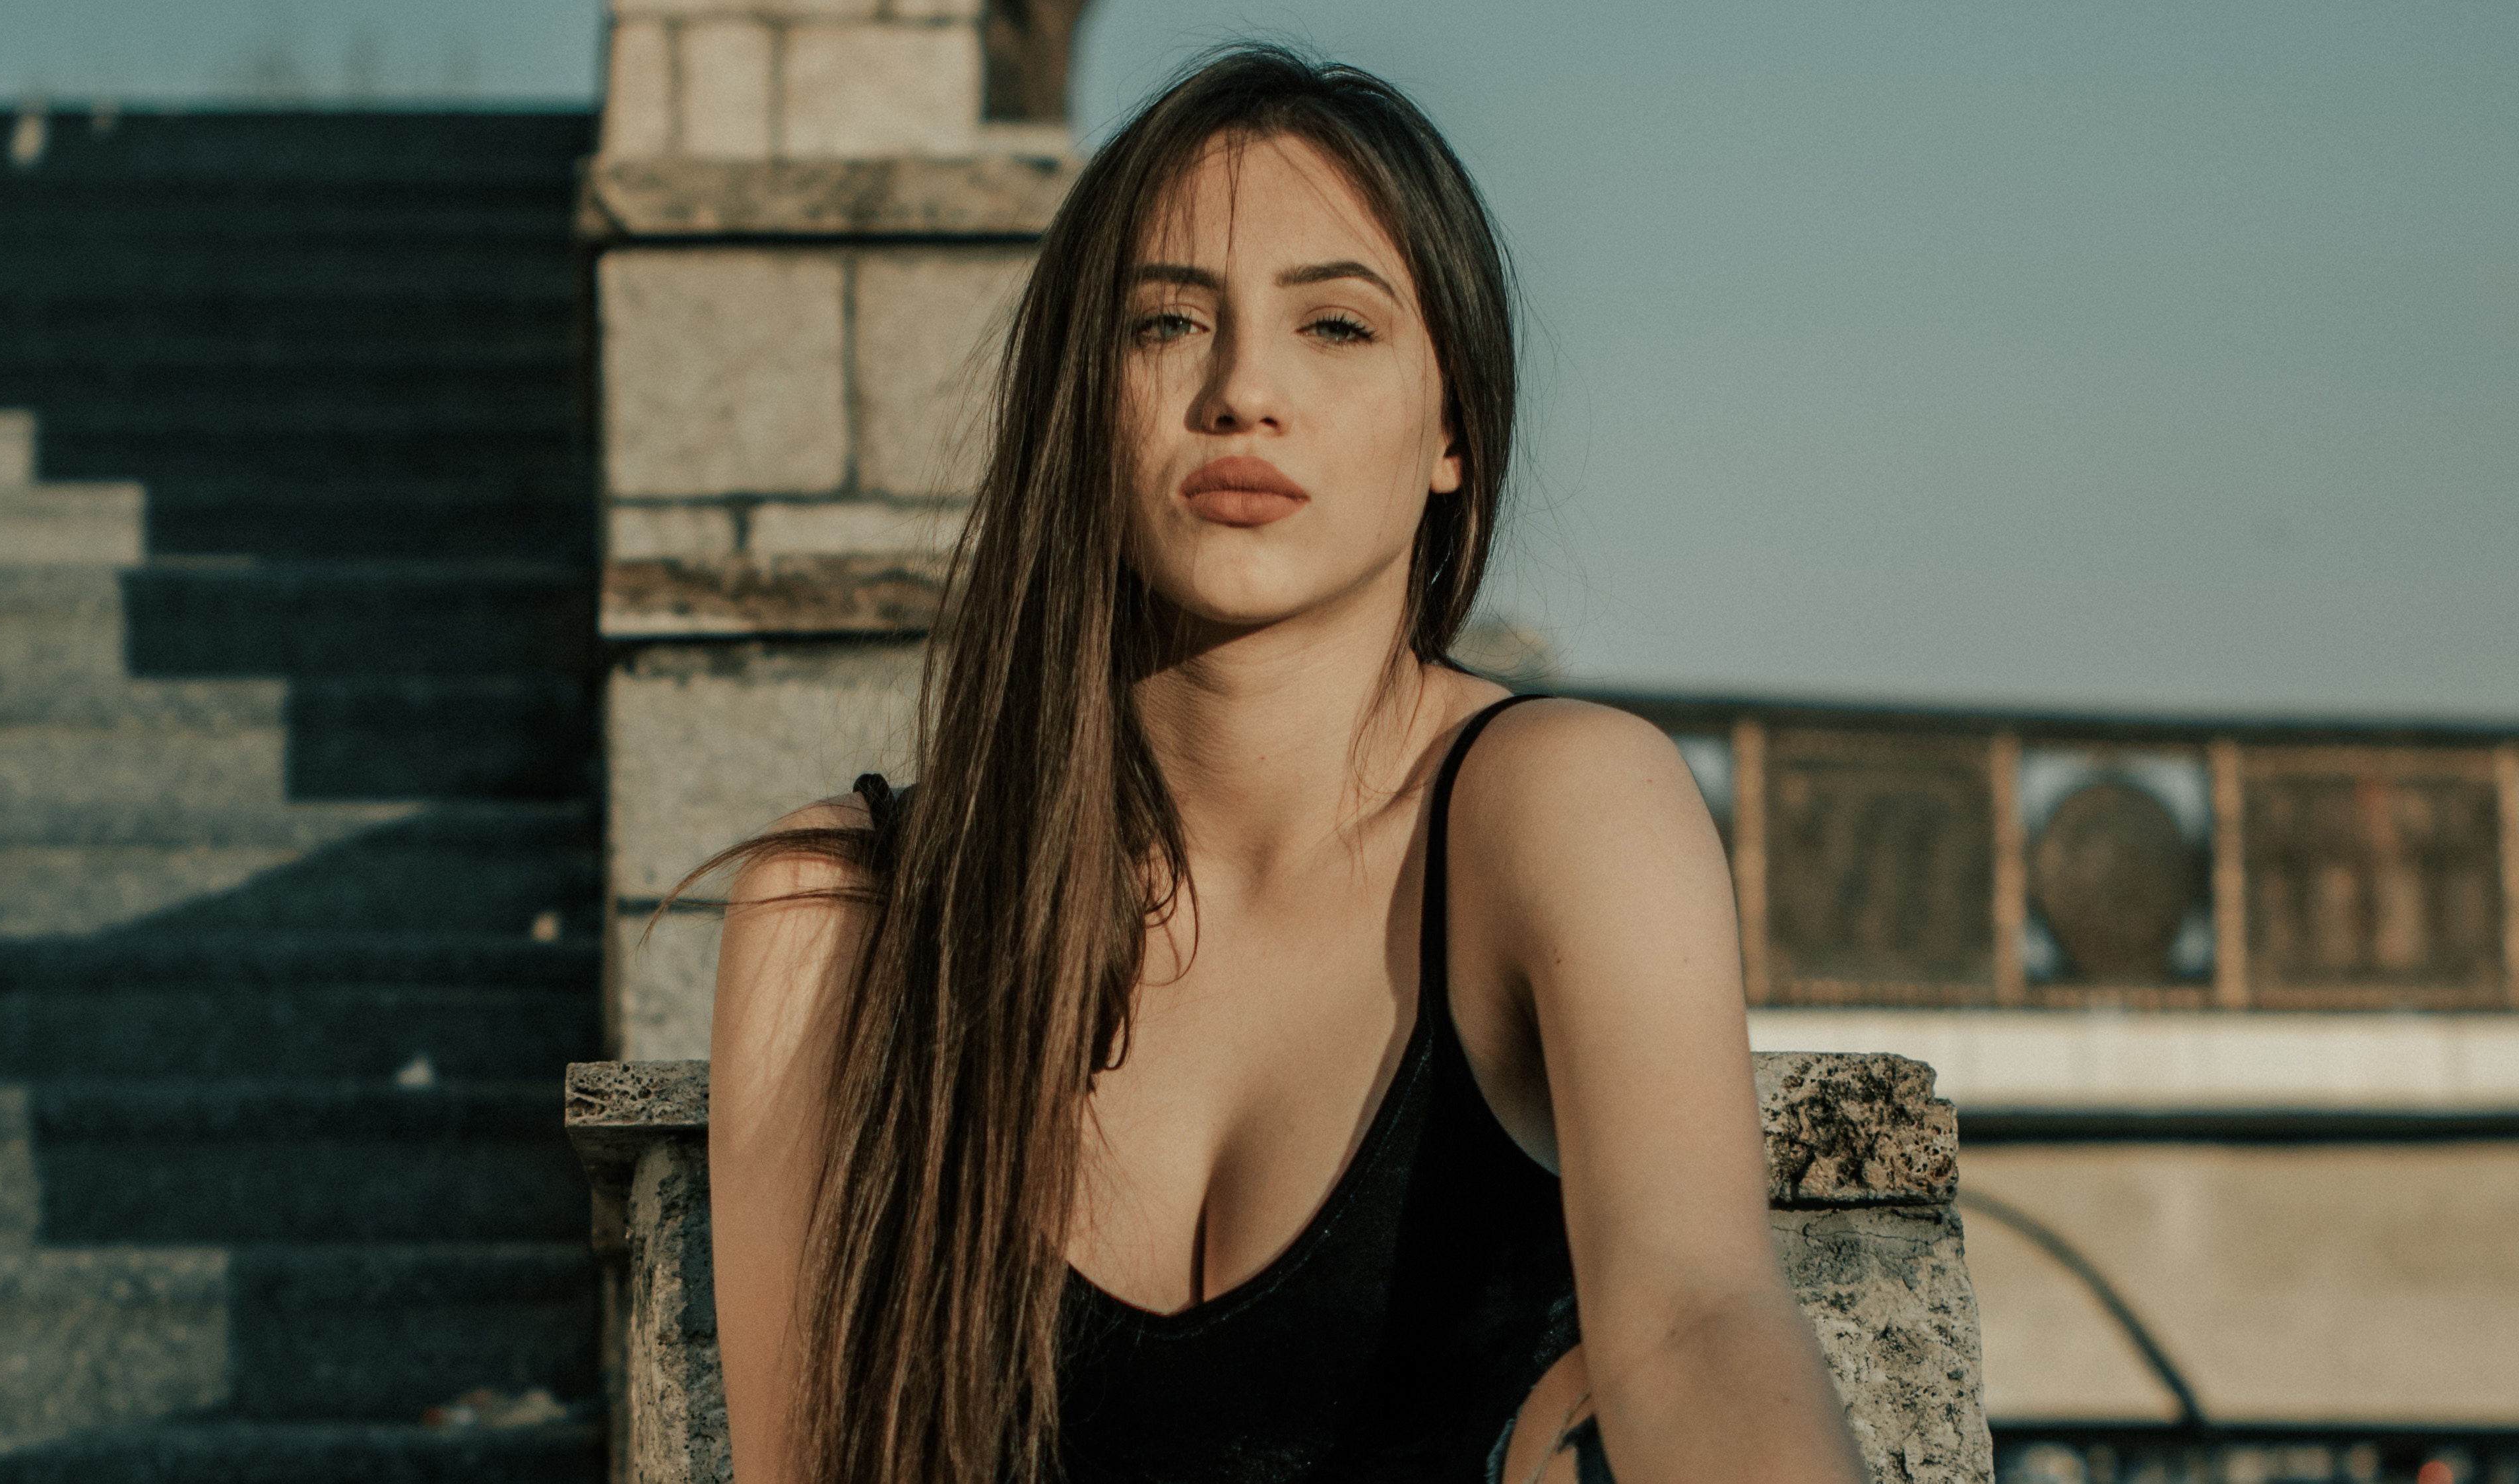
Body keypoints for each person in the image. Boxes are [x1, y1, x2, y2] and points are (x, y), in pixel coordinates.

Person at [692, 44, 1867, 1484]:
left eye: (1336, 326)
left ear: (1452, 430)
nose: (1243, 390)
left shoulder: (1561, 803)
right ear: (1077, 403)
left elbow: (1695, 1320)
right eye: (1166, 322)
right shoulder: (839, 916)